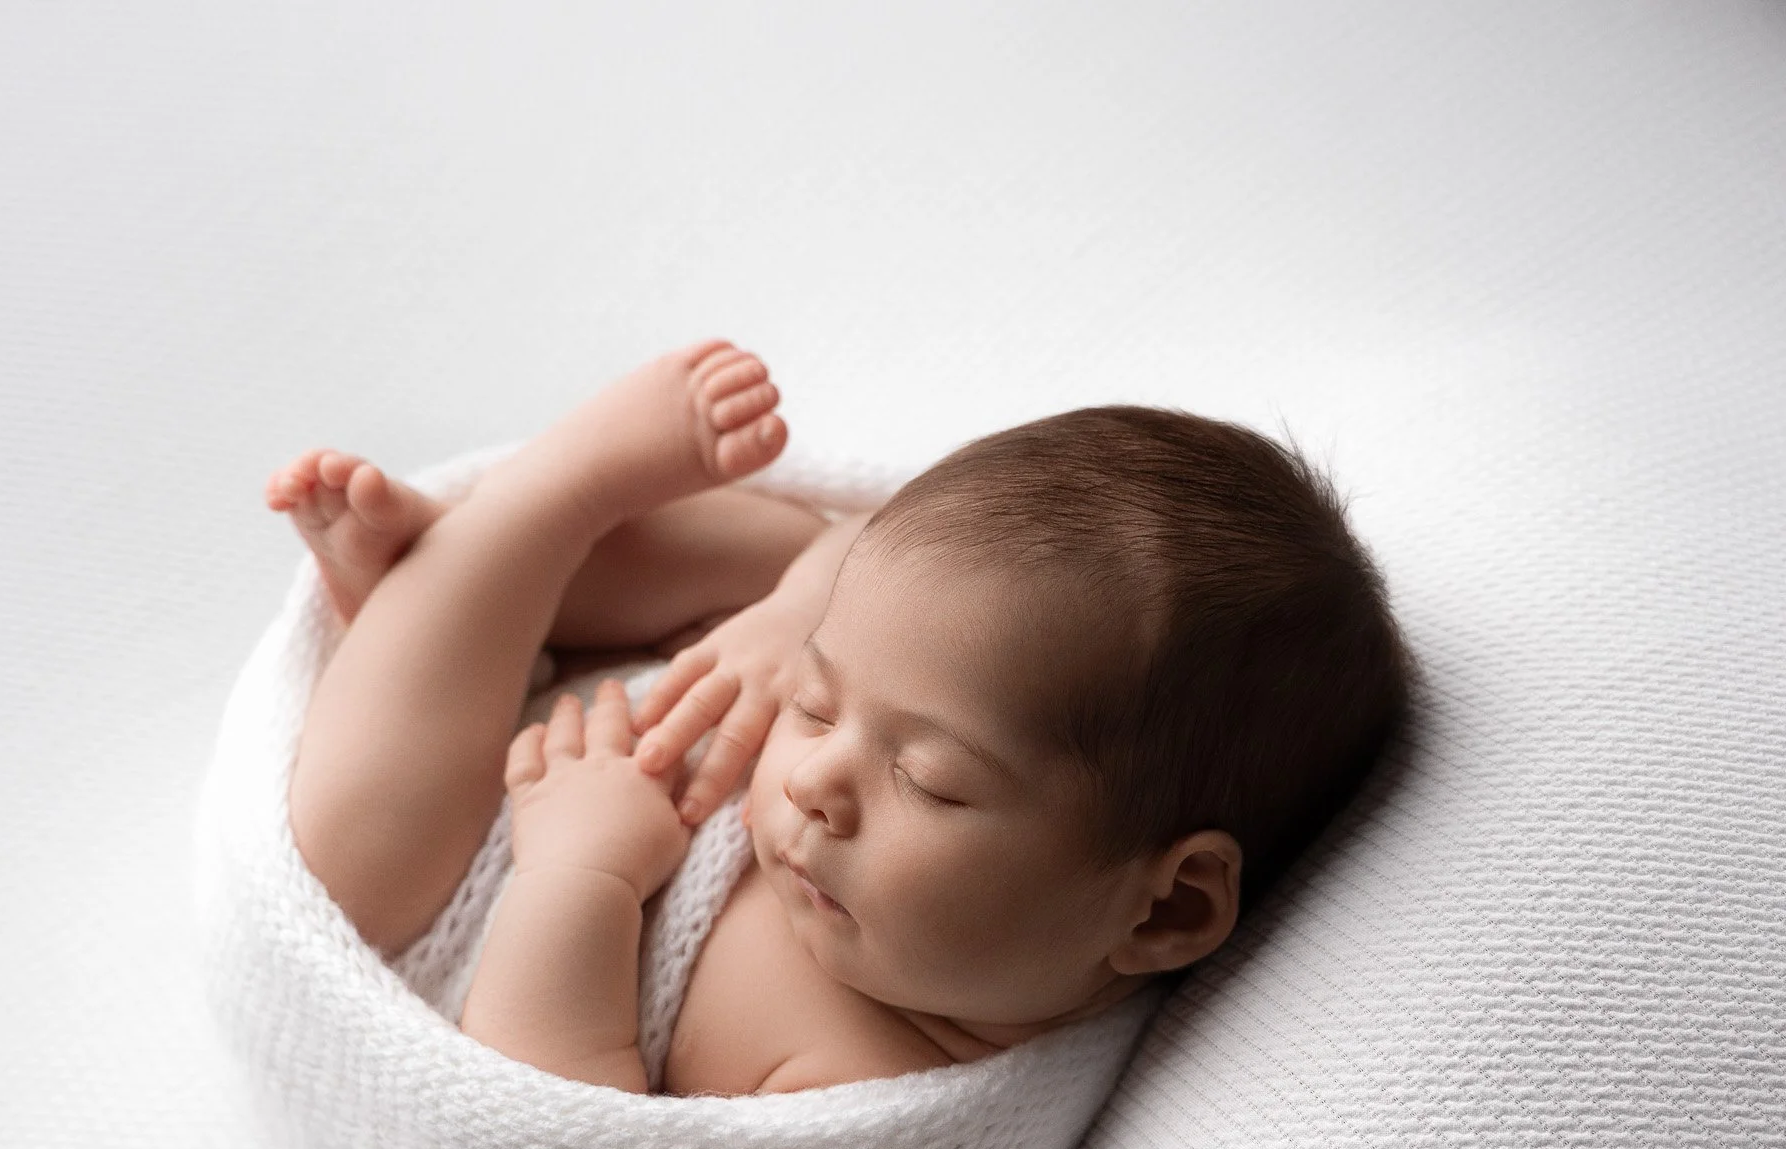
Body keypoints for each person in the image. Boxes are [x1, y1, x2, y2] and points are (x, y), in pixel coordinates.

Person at [267, 339, 1411, 1096]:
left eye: (927, 779)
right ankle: (480, 587)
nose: (809, 777)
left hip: (485, 881)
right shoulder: (931, 726)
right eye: (819, 708)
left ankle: (517, 525)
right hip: (648, 683)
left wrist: (577, 875)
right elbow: (887, 553)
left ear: (1164, 908)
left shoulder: (859, 1080)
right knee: (813, 559)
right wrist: (794, 617)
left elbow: (546, 1136)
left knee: (354, 859)